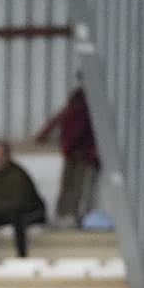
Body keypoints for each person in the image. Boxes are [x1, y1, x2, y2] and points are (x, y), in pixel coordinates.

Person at [39, 78, 99, 227]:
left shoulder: (82, 105)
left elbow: (76, 131)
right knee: (71, 186)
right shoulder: (79, 103)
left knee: (76, 186)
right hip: (76, 153)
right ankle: (67, 215)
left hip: (81, 153)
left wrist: (71, 147)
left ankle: (71, 215)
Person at [0, 142, 46, 258]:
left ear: (8, 156)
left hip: (26, 212)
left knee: (17, 218)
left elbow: (20, 202)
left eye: (0, 155)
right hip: (3, 213)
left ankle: (21, 256)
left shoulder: (19, 174)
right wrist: (0, 206)